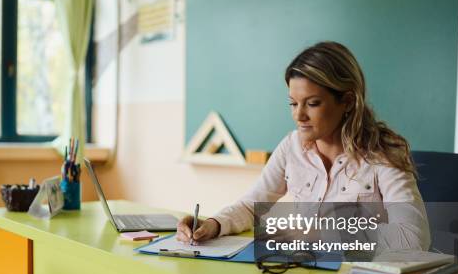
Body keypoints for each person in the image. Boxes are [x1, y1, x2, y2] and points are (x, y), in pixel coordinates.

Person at [176, 41, 430, 251]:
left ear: (348, 101)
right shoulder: (291, 147)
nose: (299, 116)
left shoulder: (382, 153)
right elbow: (250, 205)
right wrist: (213, 224)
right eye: (293, 103)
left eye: (313, 103)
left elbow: (412, 238)